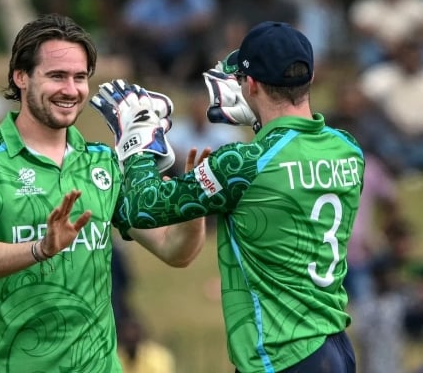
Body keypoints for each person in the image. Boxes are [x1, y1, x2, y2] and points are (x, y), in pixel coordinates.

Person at [94, 21, 363, 372]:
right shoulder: (347, 149)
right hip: (336, 346)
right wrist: (260, 117)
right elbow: (282, 170)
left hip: (281, 355)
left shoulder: (241, 164)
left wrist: (140, 140)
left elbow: (142, 207)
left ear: (251, 84)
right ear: (308, 80)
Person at [0, 13, 207, 372]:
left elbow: (174, 250)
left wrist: (196, 201)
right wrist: (40, 248)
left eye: (80, 77)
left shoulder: (104, 163)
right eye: (57, 76)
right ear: (21, 77)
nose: (71, 89)